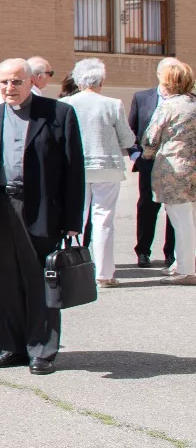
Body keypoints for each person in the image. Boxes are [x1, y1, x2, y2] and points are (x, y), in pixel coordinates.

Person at [0, 59, 85, 374]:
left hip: (41, 210)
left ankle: (41, 350)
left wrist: (73, 221)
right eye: (3, 82)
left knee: (40, 280)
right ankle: (9, 347)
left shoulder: (59, 114)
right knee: (4, 281)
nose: (9, 88)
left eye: (16, 81)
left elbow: (73, 170)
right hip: (0, 208)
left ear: (32, 81)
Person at [60, 59, 136, 287]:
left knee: (75, 217)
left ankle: (69, 268)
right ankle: (104, 273)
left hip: (75, 168)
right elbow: (127, 139)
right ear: (101, 80)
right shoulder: (113, 104)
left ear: (78, 81)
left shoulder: (65, 104)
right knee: (104, 219)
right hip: (107, 167)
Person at [141, 59, 196, 284]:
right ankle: (182, 263)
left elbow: (150, 139)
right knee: (191, 219)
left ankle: (187, 270)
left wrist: (147, 154)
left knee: (180, 222)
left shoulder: (168, 106)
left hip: (174, 170)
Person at [129, 58, 181, 270]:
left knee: (175, 208)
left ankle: (171, 253)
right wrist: (136, 156)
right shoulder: (142, 97)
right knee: (147, 207)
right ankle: (143, 251)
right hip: (148, 163)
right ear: (160, 74)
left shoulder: (187, 100)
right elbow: (131, 130)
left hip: (175, 164)